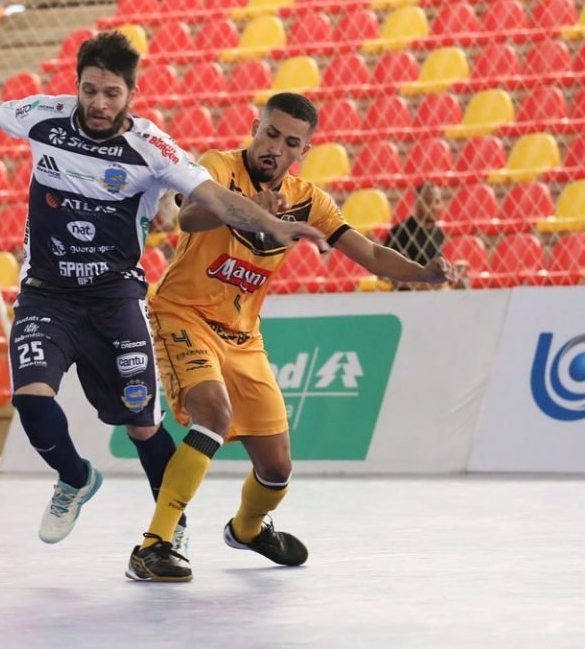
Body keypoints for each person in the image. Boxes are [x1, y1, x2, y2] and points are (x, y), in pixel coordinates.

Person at [0, 33, 328, 547]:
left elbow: (217, 199)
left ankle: (170, 533)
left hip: (115, 299)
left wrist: (276, 228)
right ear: (77, 86)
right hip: (45, 294)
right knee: (32, 400)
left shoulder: (153, 146)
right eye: (89, 90)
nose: (98, 103)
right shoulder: (44, 116)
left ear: (131, 96)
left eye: (111, 93)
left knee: (142, 425)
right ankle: (75, 478)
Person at [126, 93, 458, 582]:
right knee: (213, 415)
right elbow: (188, 218)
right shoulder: (218, 168)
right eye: (270, 134)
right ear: (256, 127)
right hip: (183, 316)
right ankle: (153, 545)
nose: (275, 148)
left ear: (304, 149)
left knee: (277, 468)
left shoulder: (310, 200)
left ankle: (247, 529)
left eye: (290, 142)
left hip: (244, 336)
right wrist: (248, 210)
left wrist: (425, 274)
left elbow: (369, 254)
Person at [386, 182, 445, 266]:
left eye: (437, 201)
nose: (434, 207)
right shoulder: (400, 231)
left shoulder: (439, 233)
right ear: (417, 202)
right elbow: (387, 269)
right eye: (428, 201)